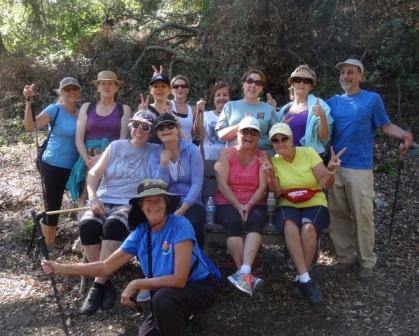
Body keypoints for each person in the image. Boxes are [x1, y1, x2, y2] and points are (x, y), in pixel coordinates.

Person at [42, 179, 218, 336]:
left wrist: (137, 283)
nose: (154, 204)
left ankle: (182, 317)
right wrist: (60, 268)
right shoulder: (141, 233)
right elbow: (104, 267)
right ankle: (183, 321)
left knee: (163, 300)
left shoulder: (180, 225)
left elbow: (179, 280)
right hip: (163, 293)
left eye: (159, 199)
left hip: (198, 287)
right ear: (141, 206)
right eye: (148, 200)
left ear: (166, 203)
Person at [327, 58, 413, 280]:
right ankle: (346, 257)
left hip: (359, 168)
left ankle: (367, 261)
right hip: (335, 166)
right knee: (337, 215)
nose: (345, 76)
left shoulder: (372, 99)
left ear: (361, 76)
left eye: (351, 72)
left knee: (362, 215)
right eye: (343, 73)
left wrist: (404, 135)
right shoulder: (332, 102)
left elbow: (385, 125)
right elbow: (318, 130)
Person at [76, 111, 158, 315]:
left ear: (151, 132)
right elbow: (94, 172)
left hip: (129, 203)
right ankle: (106, 281)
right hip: (102, 199)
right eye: (136, 125)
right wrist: (93, 196)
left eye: (146, 127)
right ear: (130, 126)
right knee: (87, 226)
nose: (139, 130)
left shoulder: (155, 151)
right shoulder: (116, 146)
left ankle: (96, 287)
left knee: (113, 225)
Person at [264, 123, 345, 305]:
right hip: (287, 202)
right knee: (289, 226)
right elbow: (277, 194)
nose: (280, 143)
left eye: (284, 138)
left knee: (308, 229)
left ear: (292, 139)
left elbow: (325, 183)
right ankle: (306, 280)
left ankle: (302, 277)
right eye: (275, 140)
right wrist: (270, 176)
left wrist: (331, 170)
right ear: (272, 144)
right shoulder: (273, 161)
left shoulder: (308, 152)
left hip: (314, 200)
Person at [23, 77, 81, 248]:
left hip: (76, 167)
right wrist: (28, 102)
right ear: (61, 92)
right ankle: (48, 248)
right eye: (67, 89)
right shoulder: (55, 110)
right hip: (53, 165)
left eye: (74, 89)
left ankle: (47, 233)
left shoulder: (82, 113)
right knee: (54, 207)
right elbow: (30, 126)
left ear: (79, 92)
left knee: (81, 204)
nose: (71, 92)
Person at [214, 116, 268, 296]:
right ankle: (244, 274)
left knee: (256, 221)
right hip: (228, 201)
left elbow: (262, 186)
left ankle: (244, 272)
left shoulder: (263, 156)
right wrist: (238, 205)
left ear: (258, 137)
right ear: (237, 134)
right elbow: (222, 184)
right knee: (234, 221)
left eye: (254, 132)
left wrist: (249, 204)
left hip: (254, 202)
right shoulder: (227, 153)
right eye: (245, 131)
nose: (249, 136)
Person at [68, 70, 131, 201]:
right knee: (86, 198)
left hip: (113, 158)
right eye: (102, 83)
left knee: (108, 197)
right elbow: (79, 138)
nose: (106, 87)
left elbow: (122, 140)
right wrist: (87, 160)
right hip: (88, 157)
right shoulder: (87, 107)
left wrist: (101, 158)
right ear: (98, 88)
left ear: (116, 88)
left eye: (110, 83)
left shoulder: (124, 109)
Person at [149, 113, 205, 248]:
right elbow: (158, 188)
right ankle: (165, 262)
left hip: (192, 202)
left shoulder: (192, 150)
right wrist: (163, 164)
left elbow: (197, 183)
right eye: (161, 128)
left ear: (177, 128)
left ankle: (195, 262)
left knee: (192, 222)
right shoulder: (155, 155)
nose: (166, 130)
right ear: (157, 133)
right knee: (158, 224)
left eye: (170, 126)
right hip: (167, 201)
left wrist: (183, 208)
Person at [216, 69, 279, 152]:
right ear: (243, 84)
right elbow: (221, 135)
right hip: (235, 157)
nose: (253, 85)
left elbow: (277, 138)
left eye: (258, 83)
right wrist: (243, 125)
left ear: (261, 88)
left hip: (262, 158)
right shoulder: (230, 106)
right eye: (249, 81)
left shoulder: (269, 109)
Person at [277, 65, 333, 159]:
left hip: (308, 160)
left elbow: (323, 137)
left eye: (306, 81)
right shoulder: (284, 110)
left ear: (311, 86)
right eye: (298, 79)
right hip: (286, 160)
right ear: (293, 83)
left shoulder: (319, 105)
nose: (301, 83)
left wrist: (322, 116)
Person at [194, 81, 230, 160]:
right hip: (206, 158)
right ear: (214, 99)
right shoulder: (206, 115)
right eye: (218, 95)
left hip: (226, 161)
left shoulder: (233, 117)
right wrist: (199, 112)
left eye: (225, 95)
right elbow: (197, 134)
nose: (221, 98)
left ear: (229, 98)